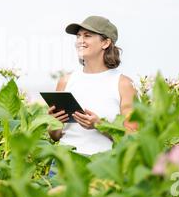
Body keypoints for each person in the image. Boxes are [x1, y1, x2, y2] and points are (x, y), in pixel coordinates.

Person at [48, 15, 138, 156]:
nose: (80, 41)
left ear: (106, 43)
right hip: (64, 164)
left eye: (87, 36)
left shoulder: (123, 84)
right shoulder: (65, 81)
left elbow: (133, 137)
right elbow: (55, 136)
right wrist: (54, 123)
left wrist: (99, 125)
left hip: (102, 167)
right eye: (78, 36)